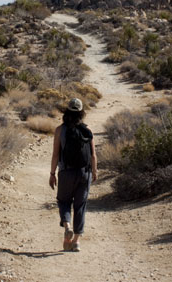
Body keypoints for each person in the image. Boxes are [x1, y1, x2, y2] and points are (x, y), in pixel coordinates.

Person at [49, 98, 97, 252]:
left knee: (63, 201)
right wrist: (94, 171)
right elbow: (93, 155)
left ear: (67, 111)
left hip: (66, 172)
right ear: (82, 112)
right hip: (84, 173)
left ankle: (67, 226)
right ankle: (76, 242)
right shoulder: (87, 130)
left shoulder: (60, 130)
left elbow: (55, 155)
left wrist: (52, 174)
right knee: (80, 206)